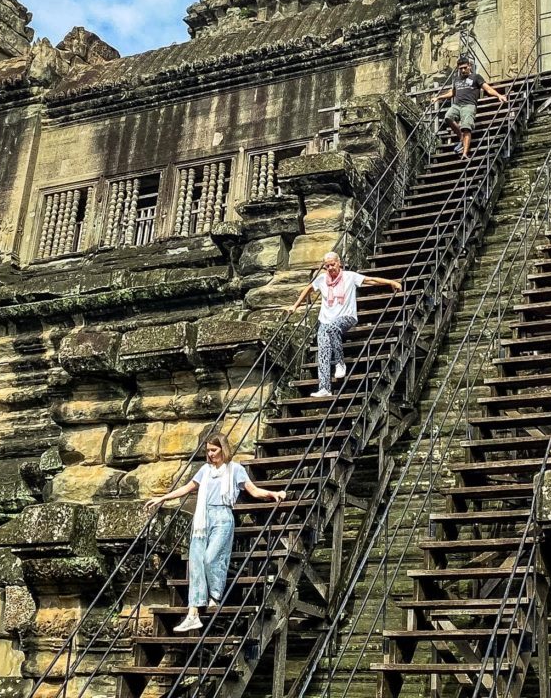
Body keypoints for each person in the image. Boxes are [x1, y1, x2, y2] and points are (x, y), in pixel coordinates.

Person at [145, 432, 286, 633]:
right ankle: (193, 612)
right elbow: (187, 488)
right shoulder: (205, 470)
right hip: (202, 519)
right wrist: (162, 498)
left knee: (211, 559)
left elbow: (253, 491)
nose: (210, 454)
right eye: (208, 450)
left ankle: (215, 596)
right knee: (196, 561)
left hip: (222, 516)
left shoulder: (235, 470)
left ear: (223, 449)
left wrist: (273, 494)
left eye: (214, 450)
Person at [287, 251, 402, 397]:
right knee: (323, 350)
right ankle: (325, 388)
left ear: (339, 263)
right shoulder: (322, 279)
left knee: (332, 328)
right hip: (325, 320)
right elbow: (308, 288)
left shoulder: (349, 276)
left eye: (332, 264)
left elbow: (370, 280)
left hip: (347, 317)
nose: (330, 268)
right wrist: (295, 306)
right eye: (327, 266)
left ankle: (340, 363)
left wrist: (390, 282)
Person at [436, 55, 507, 160]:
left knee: (466, 127)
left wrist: (499, 95)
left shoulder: (476, 77)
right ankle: (461, 137)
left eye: (465, 67)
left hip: (469, 105)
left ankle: (465, 152)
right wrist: (439, 97)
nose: (463, 70)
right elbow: (453, 93)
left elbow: (487, 89)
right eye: (461, 69)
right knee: (448, 117)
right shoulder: (456, 79)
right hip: (457, 104)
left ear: (469, 66)